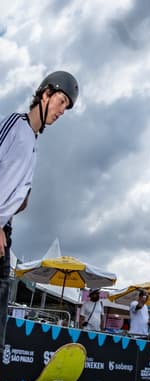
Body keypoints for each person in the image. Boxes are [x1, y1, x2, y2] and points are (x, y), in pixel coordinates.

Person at [0, 71, 78, 350]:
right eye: (60, 102)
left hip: (6, 229)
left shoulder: (33, 144)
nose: (61, 112)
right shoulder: (15, 123)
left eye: (66, 108)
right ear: (45, 94)